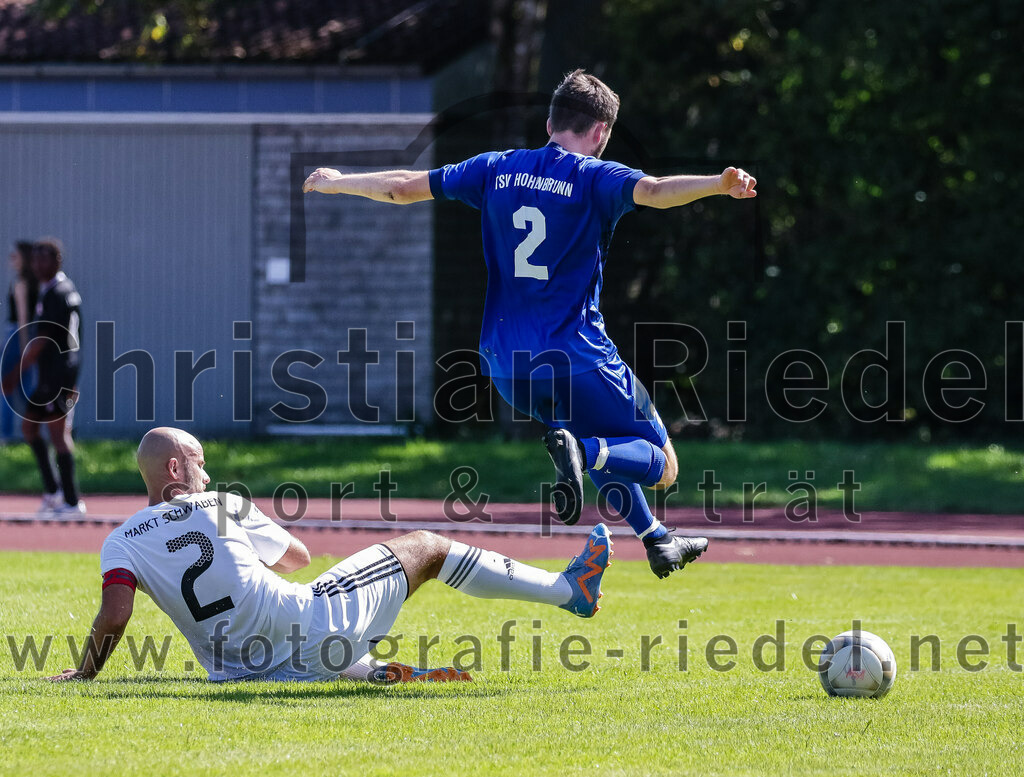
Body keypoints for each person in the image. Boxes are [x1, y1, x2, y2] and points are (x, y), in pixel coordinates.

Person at [303, 69, 757, 578]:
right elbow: (654, 191)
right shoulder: (593, 176)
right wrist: (718, 184)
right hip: (577, 355)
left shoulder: (495, 167)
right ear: (602, 133)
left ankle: (656, 538)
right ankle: (586, 455)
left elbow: (405, 188)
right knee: (659, 462)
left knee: (605, 444)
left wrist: (340, 183)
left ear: (549, 122)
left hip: (506, 366)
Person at [48, 427, 612, 683]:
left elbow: (116, 615)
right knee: (429, 548)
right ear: (175, 470)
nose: (207, 471)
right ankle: (570, 591)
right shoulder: (219, 503)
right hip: (307, 627)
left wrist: (86, 673)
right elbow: (297, 557)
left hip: (239, 673)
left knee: (310, 636)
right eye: (198, 461)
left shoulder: (120, 540)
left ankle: (373, 671)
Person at [1, 238, 85, 517]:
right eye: (34, 259)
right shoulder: (53, 290)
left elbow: (43, 340)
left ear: (57, 261)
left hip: (59, 375)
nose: (37, 265)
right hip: (51, 375)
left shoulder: (58, 292)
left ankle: (72, 502)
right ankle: (53, 492)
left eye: (43, 259)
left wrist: (15, 372)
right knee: (29, 428)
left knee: (58, 435)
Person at [1, 241, 38, 443]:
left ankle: (5, 435)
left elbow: (22, 318)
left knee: (7, 387)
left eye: (14, 256)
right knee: (27, 387)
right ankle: (33, 433)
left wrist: (25, 347)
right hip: (24, 336)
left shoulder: (21, 283)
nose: (11, 260)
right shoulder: (33, 283)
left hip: (17, 336)